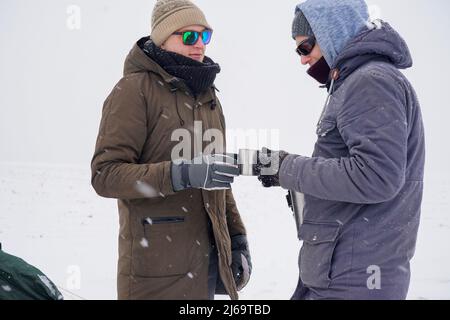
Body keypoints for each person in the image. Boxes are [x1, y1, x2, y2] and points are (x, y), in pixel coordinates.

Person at [257, 0, 425, 300]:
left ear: (330, 32)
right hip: (345, 271)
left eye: (305, 48)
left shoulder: (370, 82)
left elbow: (377, 177)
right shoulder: (359, 82)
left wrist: (286, 168)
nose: (302, 59)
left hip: (356, 278)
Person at [91, 0, 251, 300]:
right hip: (155, 274)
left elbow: (217, 178)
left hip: (206, 269)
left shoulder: (208, 96)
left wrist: (237, 236)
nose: (199, 44)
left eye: (204, 36)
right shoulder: (133, 90)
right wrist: (181, 173)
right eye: (189, 36)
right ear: (162, 39)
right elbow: (106, 174)